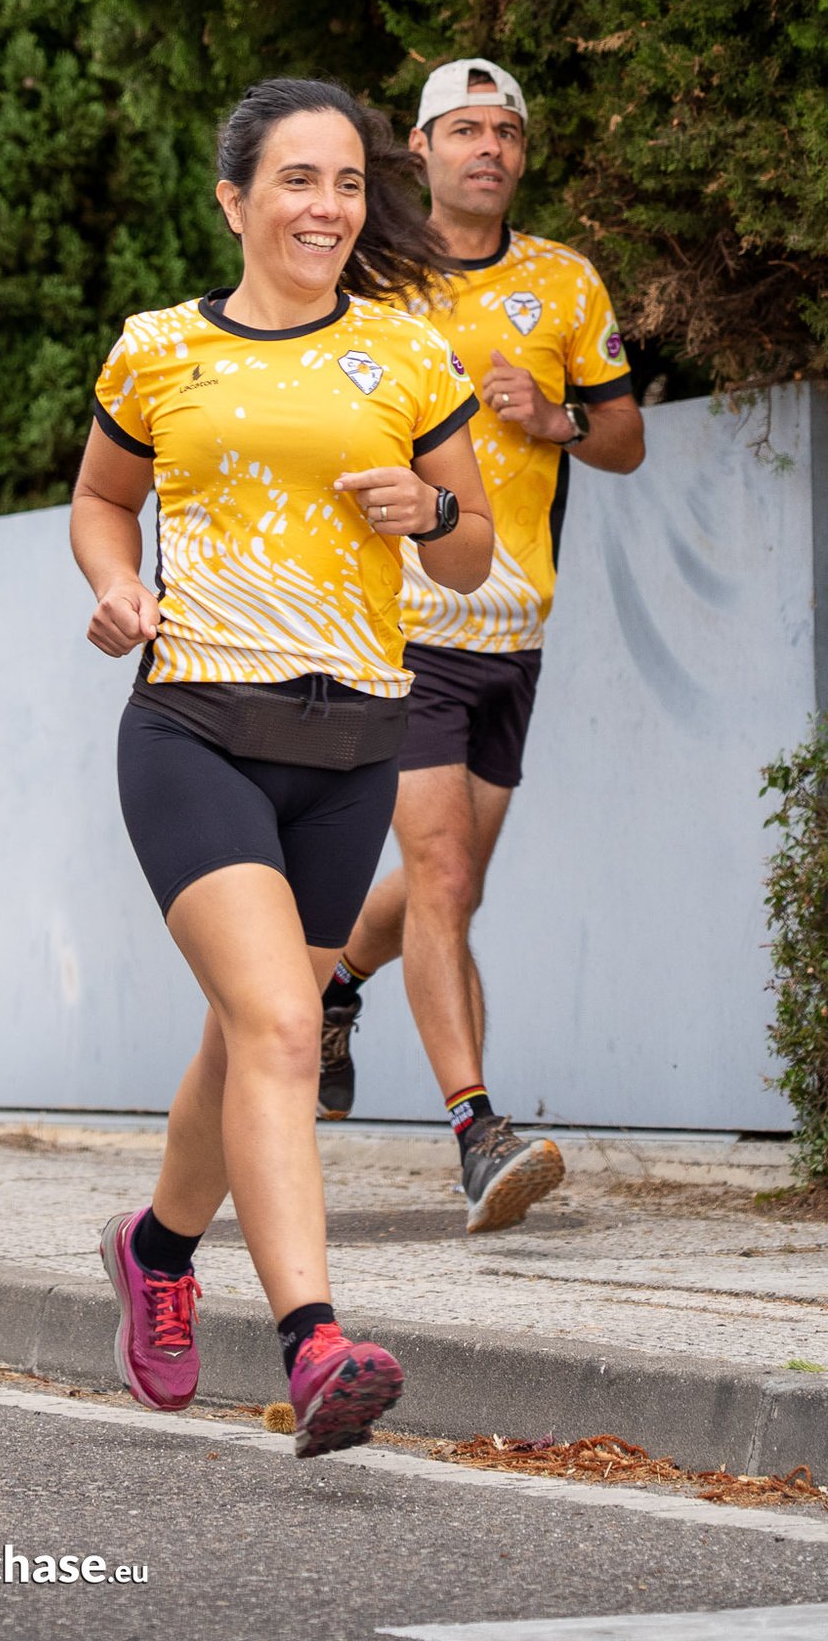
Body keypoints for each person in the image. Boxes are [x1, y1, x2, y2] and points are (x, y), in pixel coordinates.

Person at [71, 77, 493, 1456]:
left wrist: (430, 507)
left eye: (351, 184)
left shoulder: (406, 357)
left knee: (249, 1029)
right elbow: (101, 498)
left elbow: (468, 550)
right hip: (196, 721)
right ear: (235, 200)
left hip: (356, 737)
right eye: (300, 181)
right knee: (286, 1031)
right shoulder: (157, 352)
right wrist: (117, 584)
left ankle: (158, 1247)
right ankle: (315, 1339)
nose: (329, 207)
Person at [327, 60, 645, 1233]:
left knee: (438, 887)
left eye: (506, 131)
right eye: (464, 128)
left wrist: (554, 417)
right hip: (402, 624)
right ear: (418, 147)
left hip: (516, 628)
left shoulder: (563, 281)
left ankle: (331, 986)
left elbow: (622, 438)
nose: (489, 148)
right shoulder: (369, 285)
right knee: (447, 879)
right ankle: (476, 1129)